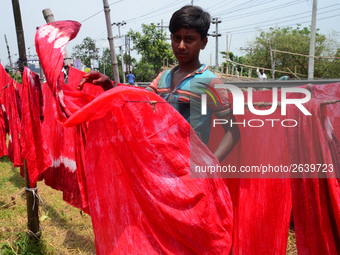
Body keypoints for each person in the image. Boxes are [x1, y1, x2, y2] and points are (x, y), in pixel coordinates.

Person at [78, 5, 239, 162]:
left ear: (203, 43)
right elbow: (136, 105)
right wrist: (108, 86)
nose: (181, 46)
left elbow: (233, 131)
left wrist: (211, 165)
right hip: (160, 168)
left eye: (189, 39)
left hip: (191, 171)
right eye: (176, 38)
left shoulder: (210, 82)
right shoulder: (163, 77)